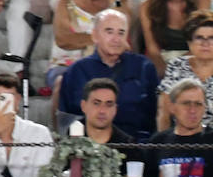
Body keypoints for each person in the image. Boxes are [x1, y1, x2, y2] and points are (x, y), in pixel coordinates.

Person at [57, 8, 160, 140]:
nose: (116, 39)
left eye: (121, 33)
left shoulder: (144, 67)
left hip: (136, 145)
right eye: (109, 31)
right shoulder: (77, 71)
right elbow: (67, 120)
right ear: (95, 35)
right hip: (90, 145)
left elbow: (156, 113)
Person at [48, 0, 139, 92]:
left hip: (108, 65)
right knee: (64, 82)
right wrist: (103, 40)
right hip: (67, 65)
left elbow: (124, 39)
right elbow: (63, 39)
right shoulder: (65, 2)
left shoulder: (120, 2)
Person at [157, 10, 213, 137]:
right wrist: (165, 144)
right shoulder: (176, 66)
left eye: (211, 38)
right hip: (181, 139)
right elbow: (164, 110)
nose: (205, 44)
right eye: (199, 38)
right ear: (189, 43)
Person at [146, 78, 213, 177]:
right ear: (172, 108)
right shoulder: (158, 141)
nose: (192, 110)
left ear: (205, 108)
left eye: (198, 104)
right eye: (186, 103)